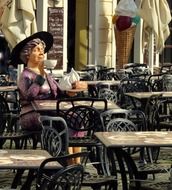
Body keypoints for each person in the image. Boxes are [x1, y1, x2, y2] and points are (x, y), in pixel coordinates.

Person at [10, 31, 62, 132]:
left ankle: (69, 147)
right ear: (27, 54)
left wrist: (71, 89)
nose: (41, 52)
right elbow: (29, 96)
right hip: (32, 113)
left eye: (42, 49)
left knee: (75, 118)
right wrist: (39, 78)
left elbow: (58, 92)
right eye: (37, 50)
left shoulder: (46, 74)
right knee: (56, 121)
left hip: (50, 111)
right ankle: (60, 146)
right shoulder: (25, 75)